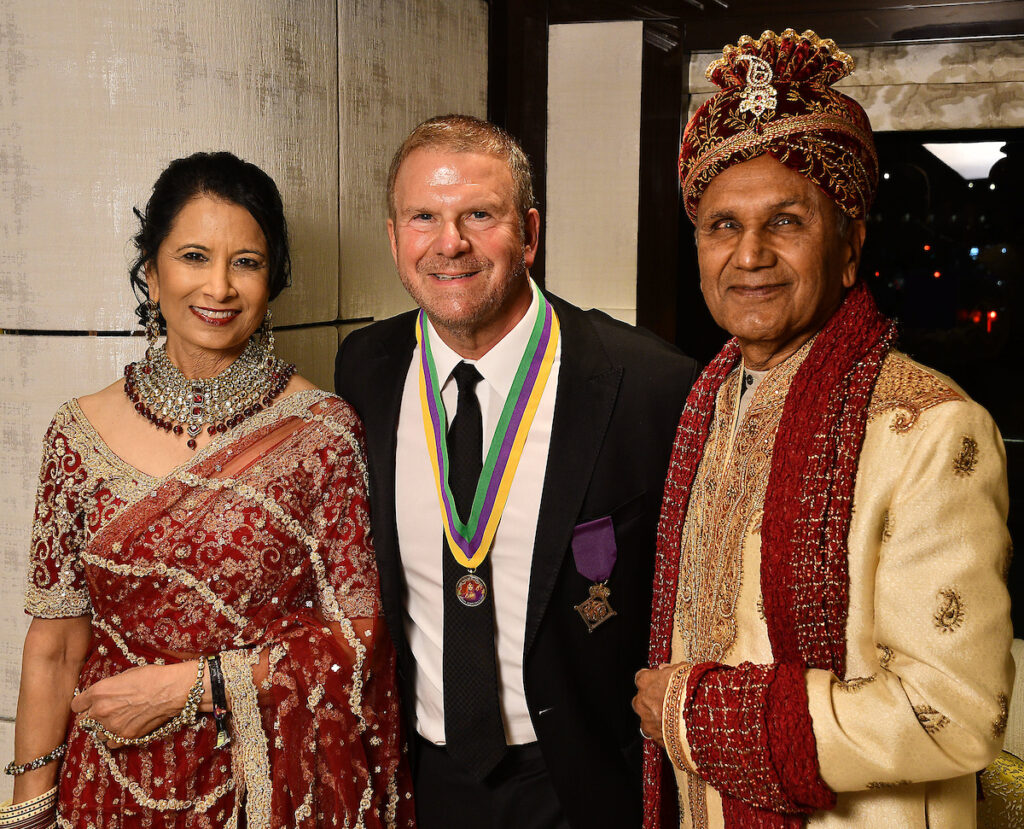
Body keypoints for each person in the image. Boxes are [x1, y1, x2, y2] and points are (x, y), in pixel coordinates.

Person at [632, 29, 1014, 828]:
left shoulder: (931, 429)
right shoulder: (707, 407)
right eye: (722, 226)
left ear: (849, 248)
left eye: (786, 222)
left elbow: (955, 712)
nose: (751, 255)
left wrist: (700, 713)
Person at [4, 152, 414, 828]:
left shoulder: (319, 433)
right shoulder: (77, 436)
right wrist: (27, 814)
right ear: (151, 271)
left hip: (265, 790)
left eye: (246, 262)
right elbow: (54, 648)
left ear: (272, 277)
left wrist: (198, 683)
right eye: (194, 255)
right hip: (106, 786)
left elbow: (358, 638)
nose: (219, 286)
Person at [335, 114, 699, 828]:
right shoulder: (365, 368)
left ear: (529, 233)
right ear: (393, 238)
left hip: (582, 785)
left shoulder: (649, 385)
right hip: (421, 779)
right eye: (423, 217)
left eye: (479, 214)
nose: (451, 242)